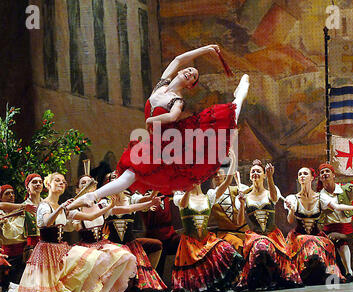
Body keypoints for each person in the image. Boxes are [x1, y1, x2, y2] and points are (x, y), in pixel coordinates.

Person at [68, 44, 250, 208]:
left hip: (171, 141)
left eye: (193, 76)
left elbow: (172, 116)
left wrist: (151, 121)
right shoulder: (161, 85)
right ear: (179, 72)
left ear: (190, 85)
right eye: (188, 70)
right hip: (154, 142)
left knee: (224, 116)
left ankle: (240, 94)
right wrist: (206, 50)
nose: (189, 72)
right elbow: (179, 59)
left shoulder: (178, 100)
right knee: (131, 173)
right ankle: (93, 196)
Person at [15, 172, 132, 292]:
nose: (61, 183)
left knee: (88, 258)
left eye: (63, 181)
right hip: (46, 250)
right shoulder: (44, 205)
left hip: (59, 248)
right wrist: (60, 209)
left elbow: (91, 216)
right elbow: (47, 221)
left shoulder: (64, 207)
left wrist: (109, 207)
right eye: (57, 180)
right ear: (48, 184)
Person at [170, 149, 245, 292]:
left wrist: (233, 161)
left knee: (225, 248)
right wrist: (186, 187)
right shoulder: (179, 196)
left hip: (206, 241)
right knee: (194, 286)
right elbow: (183, 203)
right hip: (190, 244)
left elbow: (227, 182)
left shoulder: (209, 196)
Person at [234, 160, 302, 291]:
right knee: (261, 246)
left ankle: (272, 279)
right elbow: (239, 221)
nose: (255, 173)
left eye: (258, 171)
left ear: (264, 175)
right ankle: (260, 280)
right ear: (249, 176)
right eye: (252, 171)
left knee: (267, 246)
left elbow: (274, 197)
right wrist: (242, 204)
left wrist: (271, 177)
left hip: (272, 235)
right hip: (255, 236)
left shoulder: (271, 191)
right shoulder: (244, 196)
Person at [102, 172, 168, 292]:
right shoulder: (105, 202)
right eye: (113, 179)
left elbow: (145, 200)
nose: (117, 182)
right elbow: (126, 209)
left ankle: (143, 285)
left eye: (119, 179)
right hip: (114, 245)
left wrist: (156, 188)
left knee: (155, 246)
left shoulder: (131, 198)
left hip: (130, 242)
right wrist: (149, 203)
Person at [71, 175, 138, 292]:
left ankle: (106, 290)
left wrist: (148, 202)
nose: (86, 185)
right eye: (83, 183)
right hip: (86, 246)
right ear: (77, 190)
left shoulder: (101, 204)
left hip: (101, 244)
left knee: (125, 255)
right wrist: (76, 221)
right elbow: (76, 226)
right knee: (90, 259)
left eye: (90, 183)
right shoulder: (75, 207)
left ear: (95, 188)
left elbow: (127, 208)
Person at [284, 167, 346, 285]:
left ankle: (328, 274)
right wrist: (291, 210)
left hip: (316, 234)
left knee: (328, 244)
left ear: (312, 178)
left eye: (305, 173)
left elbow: (337, 207)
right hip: (299, 235)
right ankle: (304, 272)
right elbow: (290, 220)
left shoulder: (320, 197)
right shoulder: (293, 198)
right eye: (300, 174)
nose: (302, 176)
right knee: (306, 240)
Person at [318, 163, 353, 282]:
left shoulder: (345, 190)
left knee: (343, 243)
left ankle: (349, 272)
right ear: (320, 178)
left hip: (345, 229)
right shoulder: (321, 195)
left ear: (333, 175)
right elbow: (335, 207)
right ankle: (339, 274)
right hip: (329, 229)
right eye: (322, 172)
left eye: (327, 171)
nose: (325, 174)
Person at [133, 191, 180, 278]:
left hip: (171, 235)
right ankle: (157, 287)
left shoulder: (168, 195)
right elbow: (142, 204)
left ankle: (183, 280)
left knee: (185, 244)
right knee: (159, 260)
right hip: (155, 235)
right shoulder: (145, 197)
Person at [207, 167, 249, 254]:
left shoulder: (236, 189)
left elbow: (247, 193)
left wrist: (238, 182)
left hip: (244, 232)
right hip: (226, 234)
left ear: (225, 174)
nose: (218, 176)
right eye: (215, 174)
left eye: (220, 173)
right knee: (236, 244)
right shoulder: (211, 194)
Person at [0, 185, 27, 292]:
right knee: (6, 285)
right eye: (7, 193)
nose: (11, 196)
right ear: (0, 197)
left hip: (22, 255)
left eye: (12, 193)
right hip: (6, 256)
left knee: (19, 285)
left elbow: (15, 232)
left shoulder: (20, 213)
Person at [22, 173, 44, 261]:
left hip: (48, 245)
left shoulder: (47, 205)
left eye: (40, 182)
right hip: (31, 249)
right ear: (28, 187)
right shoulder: (23, 207)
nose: (38, 184)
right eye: (34, 182)